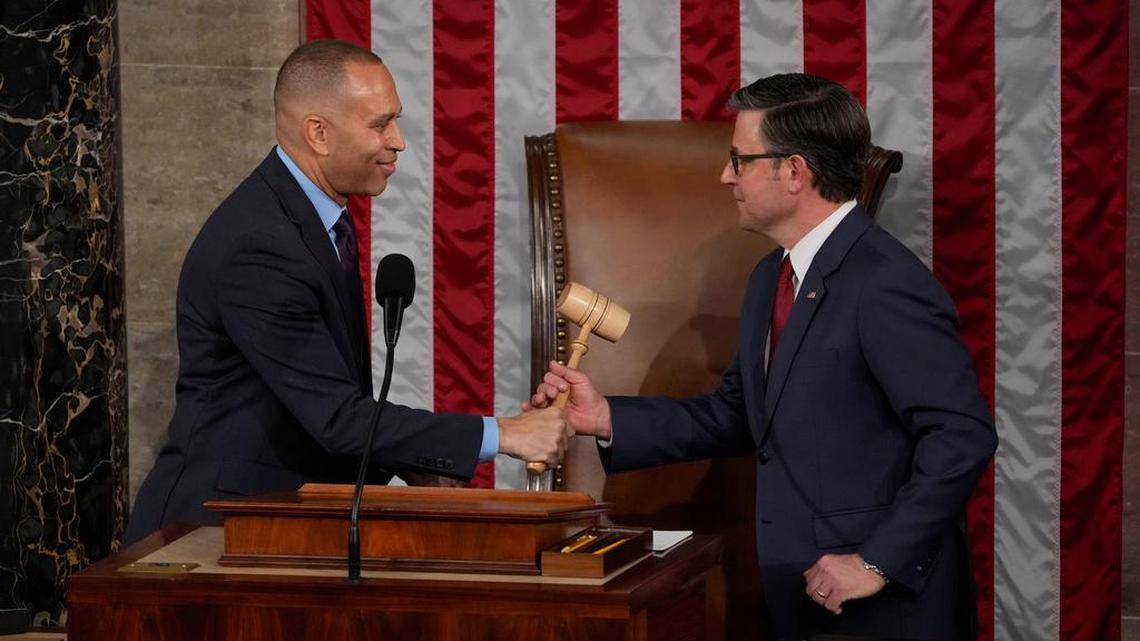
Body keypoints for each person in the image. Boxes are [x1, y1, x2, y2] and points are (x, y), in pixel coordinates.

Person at [527, 73, 997, 641]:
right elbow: (739, 415)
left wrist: (876, 562)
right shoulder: (771, 277)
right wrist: (606, 417)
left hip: (883, 610)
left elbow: (961, 435)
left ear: (794, 171)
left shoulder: (885, 283)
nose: (727, 175)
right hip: (800, 599)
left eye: (740, 160)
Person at [126, 40, 569, 543]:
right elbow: (336, 417)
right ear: (318, 133)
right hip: (212, 531)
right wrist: (503, 434)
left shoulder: (318, 216)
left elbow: (321, 403)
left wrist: (409, 459)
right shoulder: (260, 245)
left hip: (281, 523)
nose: (398, 140)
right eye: (380, 124)